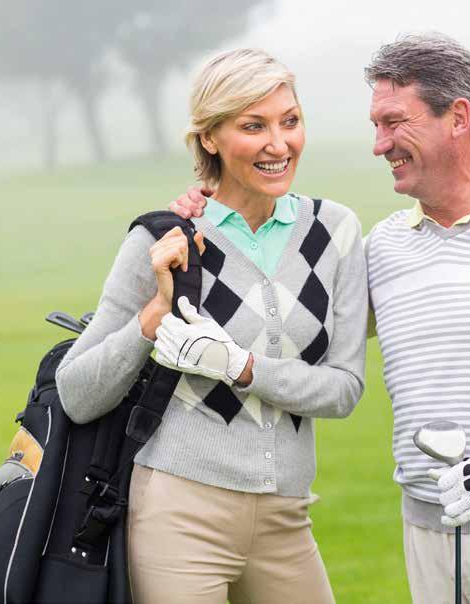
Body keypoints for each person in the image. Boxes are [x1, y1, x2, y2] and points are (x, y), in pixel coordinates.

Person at [172, 34, 470, 603]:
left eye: (394, 123)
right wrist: (211, 210)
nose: (379, 145)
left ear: (458, 118)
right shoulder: (384, 246)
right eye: (375, 126)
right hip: (426, 533)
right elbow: (289, 328)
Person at [55, 48, 367, 604]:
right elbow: (77, 394)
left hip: (287, 517)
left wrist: (240, 366)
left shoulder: (335, 232)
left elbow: (343, 389)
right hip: (177, 514)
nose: (279, 144)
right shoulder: (162, 237)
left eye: (290, 121)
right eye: (253, 126)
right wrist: (153, 318)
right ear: (209, 138)